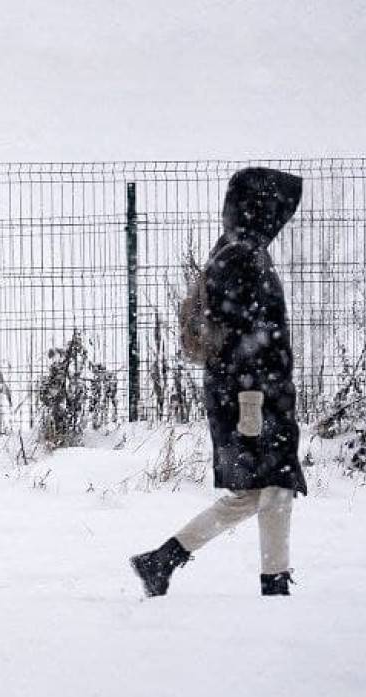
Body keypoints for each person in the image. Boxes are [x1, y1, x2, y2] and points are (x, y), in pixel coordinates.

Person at [131, 167, 307, 598]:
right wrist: (250, 401)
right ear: (260, 208)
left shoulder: (237, 249)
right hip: (253, 395)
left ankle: (164, 560)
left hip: (255, 392)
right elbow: (238, 339)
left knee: (262, 490)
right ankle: (274, 585)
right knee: (272, 486)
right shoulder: (242, 255)